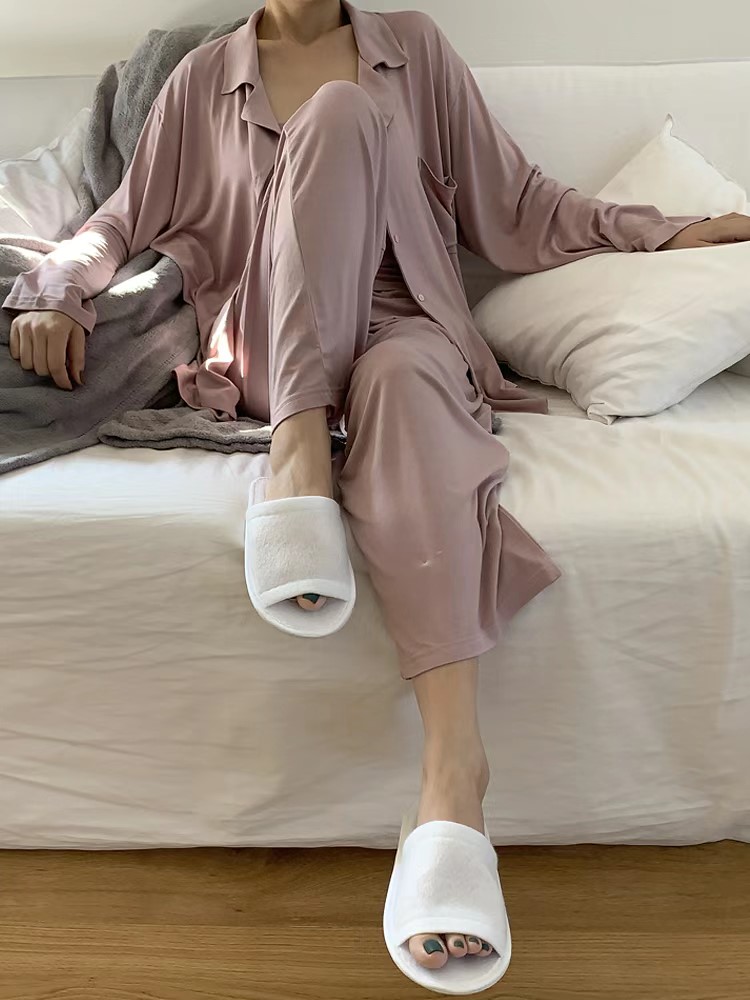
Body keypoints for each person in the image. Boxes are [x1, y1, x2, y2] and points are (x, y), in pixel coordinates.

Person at [4, 0, 750, 988]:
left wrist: (678, 228)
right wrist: (54, 290)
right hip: (273, 343)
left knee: (403, 376)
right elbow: (117, 220)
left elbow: (524, 206)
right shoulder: (201, 80)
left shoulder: (417, 49)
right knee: (343, 114)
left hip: (411, 332)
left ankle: (452, 784)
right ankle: (300, 448)